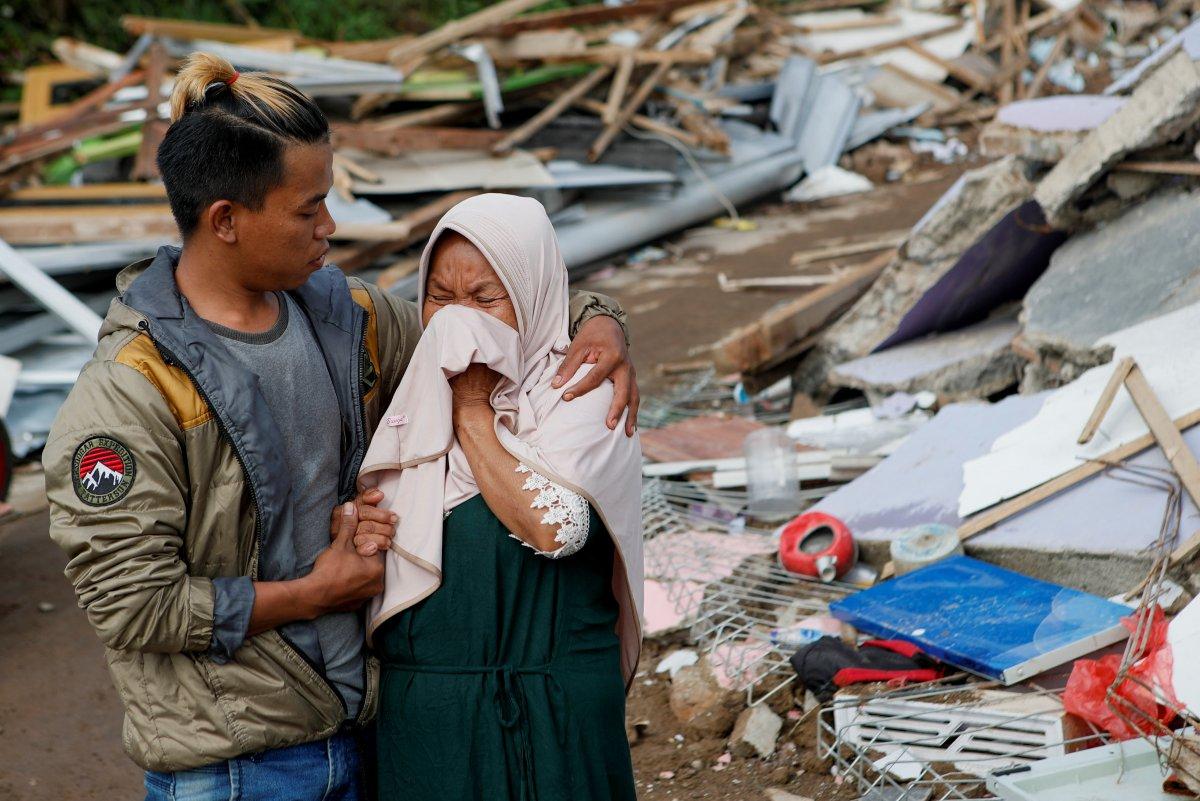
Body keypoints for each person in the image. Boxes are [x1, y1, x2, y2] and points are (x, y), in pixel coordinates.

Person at [43, 54, 639, 801]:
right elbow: (134, 604)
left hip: (362, 739)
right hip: (236, 769)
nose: (330, 226)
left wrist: (600, 323)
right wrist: (312, 593)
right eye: (307, 208)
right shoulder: (130, 394)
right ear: (225, 219)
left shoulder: (346, 319)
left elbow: (495, 309)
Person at [354, 193, 644, 801]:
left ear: (534, 296)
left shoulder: (584, 391)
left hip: (549, 720)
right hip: (426, 728)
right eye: (440, 296)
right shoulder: (409, 398)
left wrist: (472, 413)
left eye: (486, 299)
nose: (460, 321)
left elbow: (556, 528)